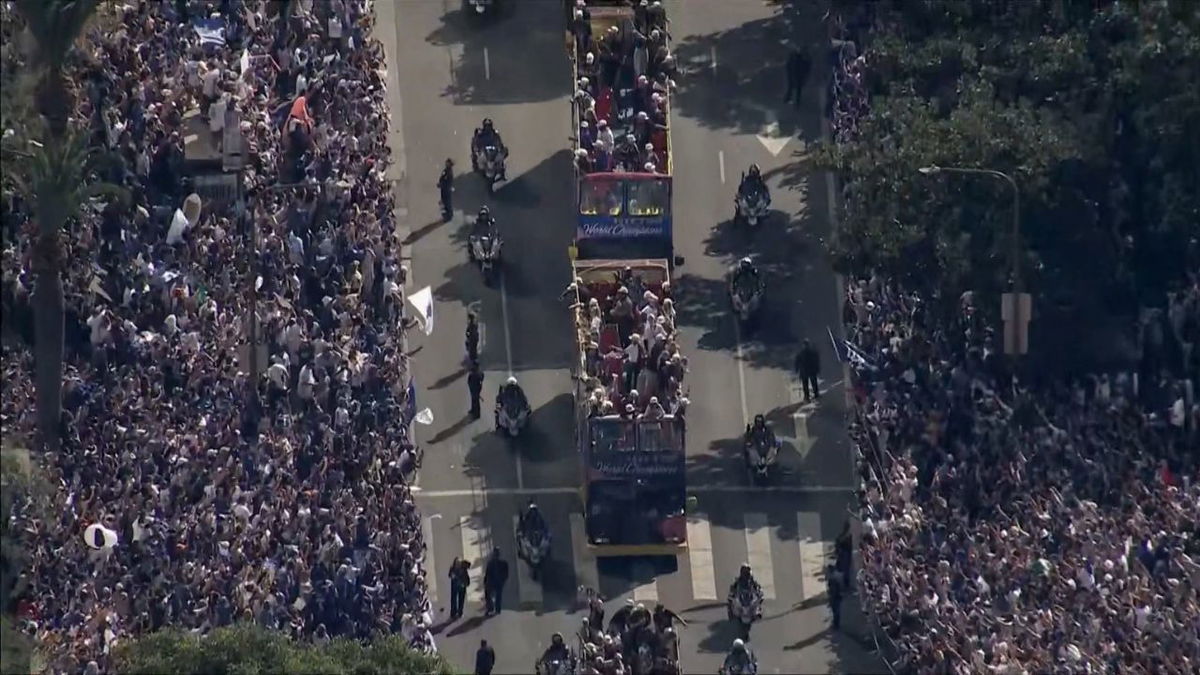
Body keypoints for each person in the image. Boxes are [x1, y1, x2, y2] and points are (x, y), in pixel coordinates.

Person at [483, 547, 509, 615]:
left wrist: (503, 580)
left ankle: (497, 609)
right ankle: (491, 608)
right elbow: (487, 573)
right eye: (495, 552)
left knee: (498, 596)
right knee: (488, 595)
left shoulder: (503, 563)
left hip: (499, 581)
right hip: (491, 581)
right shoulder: (491, 563)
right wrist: (485, 581)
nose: (495, 554)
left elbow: (506, 573)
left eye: (496, 553)